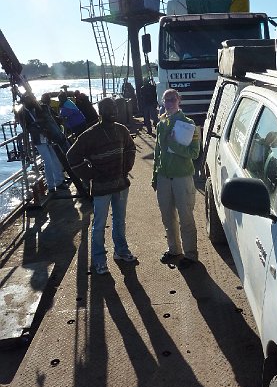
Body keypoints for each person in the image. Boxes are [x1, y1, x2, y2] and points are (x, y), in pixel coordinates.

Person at [67, 97, 137, 275]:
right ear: (100, 112)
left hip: (121, 185)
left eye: (114, 108)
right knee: (99, 225)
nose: (113, 111)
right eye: (108, 108)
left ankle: (121, 251)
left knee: (119, 221)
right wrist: (91, 174)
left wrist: (127, 166)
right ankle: (99, 260)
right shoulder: (89, 135)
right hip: (101, 189)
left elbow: (130, 147)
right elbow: (72, 156)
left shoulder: (122, 130)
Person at [152, 88, 201, 269]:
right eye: (167, 100)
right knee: (167, 217)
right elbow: (158, 153)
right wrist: (155, 176)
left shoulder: (188, 124)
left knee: (185, 217)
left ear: (179, 100)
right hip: (164, 177)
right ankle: (174, 250)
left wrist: (174, 143)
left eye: (173, 99)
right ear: (163, 102)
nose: (170, 102)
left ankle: (190, 254)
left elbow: (194, 153)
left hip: (182, 177)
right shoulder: (161, 124)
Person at [19, 93, 68, 193]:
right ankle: (51, 186)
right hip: (38, 139)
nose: (32, 101)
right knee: (48, 161)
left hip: (47, 137)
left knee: (55, 158)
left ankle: (59, 181)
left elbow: (47, 118)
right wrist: (38, 127)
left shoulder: (36, 108)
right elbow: (26, 128)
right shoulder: (22, 113)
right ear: (25, 101)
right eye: (30, 99)